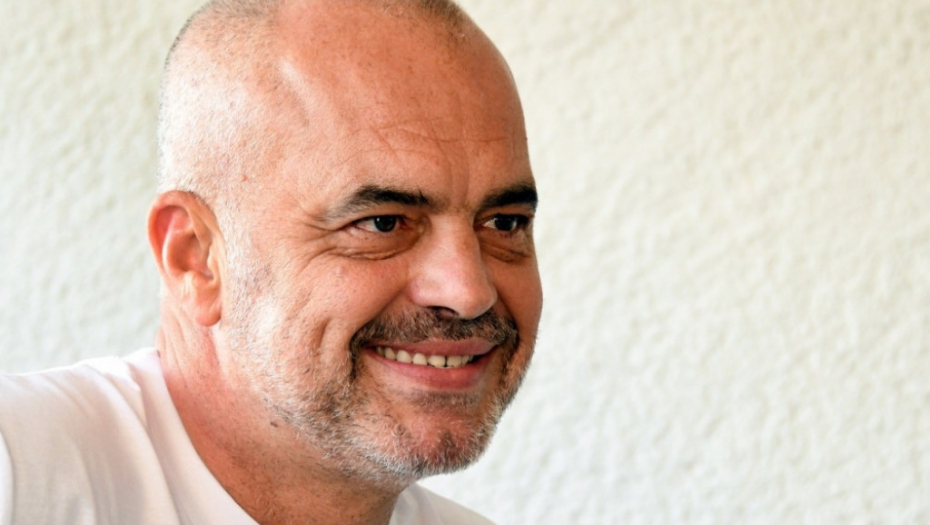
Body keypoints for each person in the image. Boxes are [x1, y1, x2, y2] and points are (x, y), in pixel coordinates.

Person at [0, 0, 541, 524]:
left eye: (504, 223)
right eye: (382, 223)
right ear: (196, 258)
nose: (469, 291)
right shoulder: (21, 473)